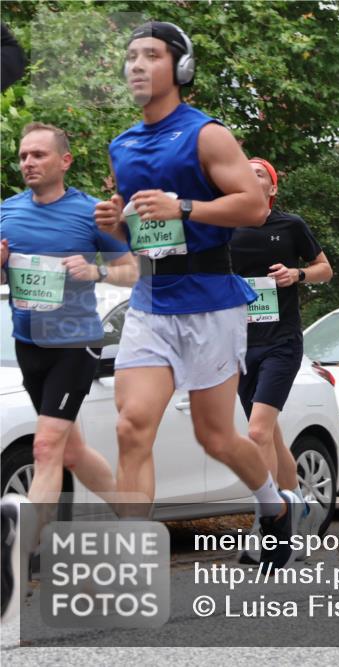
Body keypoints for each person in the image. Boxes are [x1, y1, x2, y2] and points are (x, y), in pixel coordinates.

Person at [92, 21, 296, 566]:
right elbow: (132, 233)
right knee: (132, 425)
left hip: (210, 301)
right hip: (150, 303)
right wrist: (112, 222)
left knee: (217, 437)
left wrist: (185, 207)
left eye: (151, 55)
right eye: (131, 56)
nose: (137, 65)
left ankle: (273, 506)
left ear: (179, 68)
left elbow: (252, 208)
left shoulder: (207, 134)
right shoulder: (123, 144)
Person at [0, 122, 137, 622]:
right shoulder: (6, 212)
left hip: (75, 345)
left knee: (44, 448)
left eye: (38, 155)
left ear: (64, 161)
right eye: (22, 156)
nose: (29, 163)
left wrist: (96, 270)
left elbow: (133, 269)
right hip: (29, 344)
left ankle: (17, 562)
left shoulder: (89, 213)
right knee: (73, 450)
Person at [230, 157, 333, 561]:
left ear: (272, 189)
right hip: (238, 344)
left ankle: (269, 522)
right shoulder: (225, 228)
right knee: (270, 436)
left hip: (281, 342)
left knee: (257, 433)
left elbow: (325, 268)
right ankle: (300, 512)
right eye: (245, 172)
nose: (250, 176)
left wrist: (297, 274)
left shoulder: (291, 226)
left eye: (260, 174)